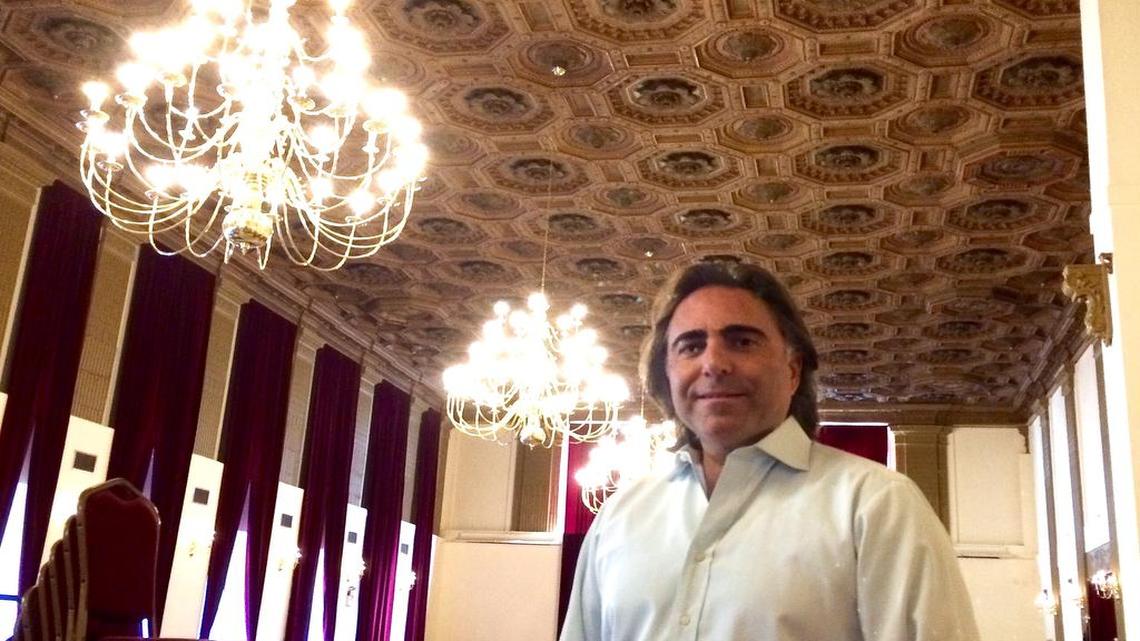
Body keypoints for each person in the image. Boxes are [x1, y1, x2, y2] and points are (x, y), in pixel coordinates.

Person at [560, 262, 980, 641]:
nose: (713, 364)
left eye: (742, 342)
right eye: (690, 346)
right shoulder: (620, 517)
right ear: (667, 374)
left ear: (793, 370)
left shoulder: (876, 505)